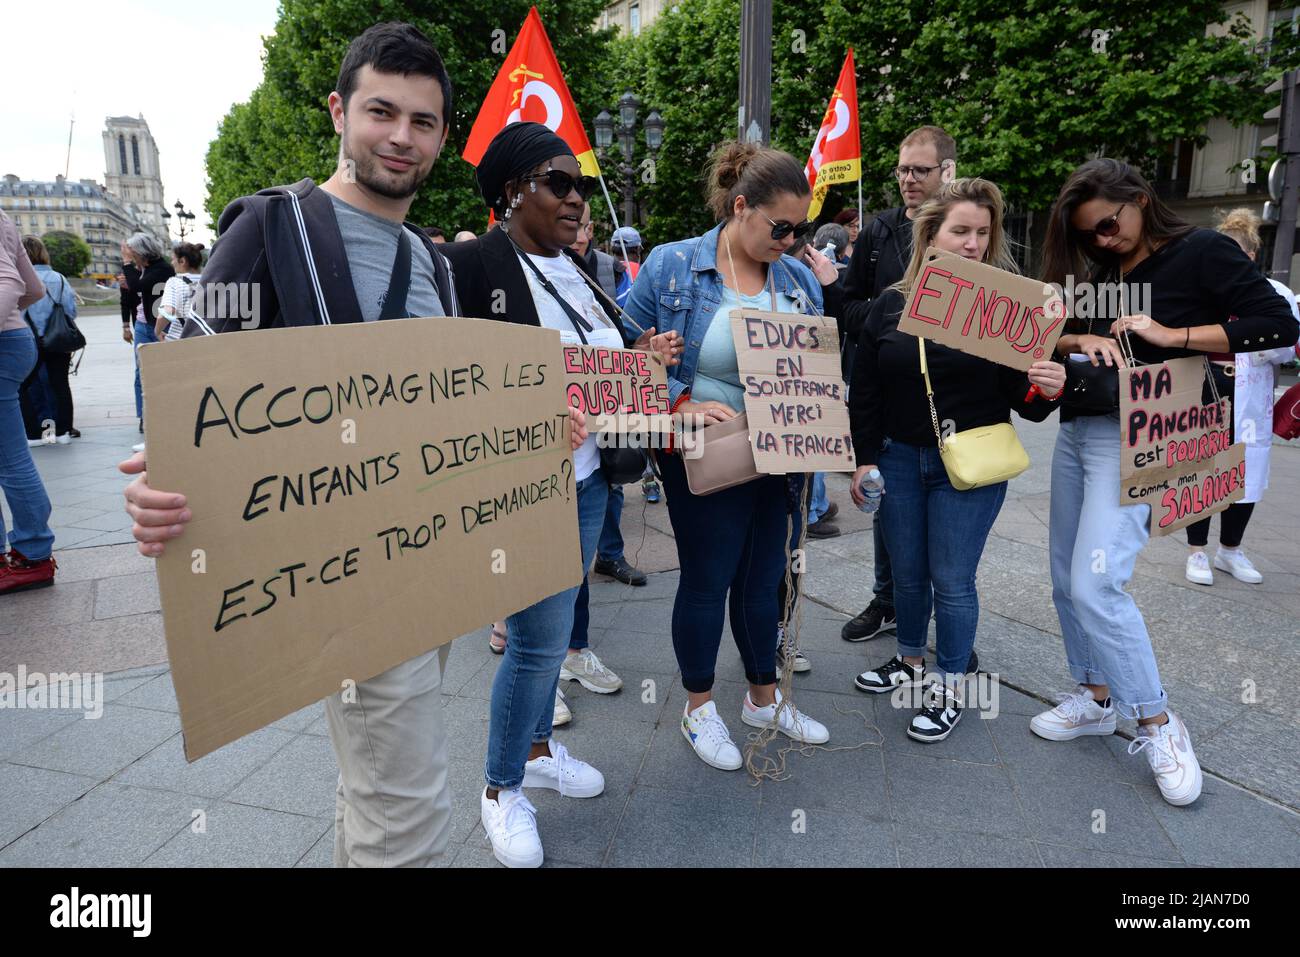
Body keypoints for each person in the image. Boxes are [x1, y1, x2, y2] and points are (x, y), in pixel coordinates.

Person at [124, 21, 488, 867]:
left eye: (424, 122)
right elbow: (194, 388)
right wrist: (158, 482)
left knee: (372, 786)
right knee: (412, 813)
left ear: (442, 137)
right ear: (338, 112)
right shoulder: (272, 227)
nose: (401, 137)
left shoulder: (433, 264)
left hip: (429, 556)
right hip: (342, 581)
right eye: (381, 112)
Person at [442, 121, 680, 864]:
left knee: (550, 637)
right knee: (537, 641)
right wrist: (521, 413)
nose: (579, 198)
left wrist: (641, 358)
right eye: (560, 183)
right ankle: (500, 789)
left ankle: (539, 750)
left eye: (581, 183)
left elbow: (595, 369)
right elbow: (444, 384)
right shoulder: (473, 265)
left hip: (582, 483)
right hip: (518, 489)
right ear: (513, 192)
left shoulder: (577, 270)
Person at [1034, 159, 1296, 806]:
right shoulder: (1103, 271)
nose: (1102, 237)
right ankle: (1095, 695)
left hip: (1145, 439)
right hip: (1079, 431)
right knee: (1067, 576)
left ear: (1140, 199)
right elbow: (1086, 341)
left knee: (1098, 582)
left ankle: (1157, 720)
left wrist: (1171, 333)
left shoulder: (1201, 250)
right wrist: (1073, 340)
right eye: (1088, 232)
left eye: (1108, 223)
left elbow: (1278, 325)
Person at [624, 141, 841, 770]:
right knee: (707, 576)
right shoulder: (670, 267)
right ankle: (698, 709)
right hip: (704, 456)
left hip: (779, 457)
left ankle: (762, 697)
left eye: (801, 230)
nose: (794, 240)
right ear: (740, 206)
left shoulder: (797, 279)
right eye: (782, 227)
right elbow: (620, 360)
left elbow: (814, 365)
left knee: (762, 578)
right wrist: (677, 398)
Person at [848, 178, 1065, 742]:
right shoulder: (891, 304)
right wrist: (863, 459)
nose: (972, 243)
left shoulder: (1006, 308)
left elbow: (1028, 403)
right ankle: (911, 662)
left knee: (952, 579)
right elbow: (866, 389)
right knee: (908, 577)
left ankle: (950, 685)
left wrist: (1047, 384)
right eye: (960, 230)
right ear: (931, 235)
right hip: (897, 460)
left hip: (968, 467)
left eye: (982, 233)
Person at [838, 125, 958, 646]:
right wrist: (895, 314)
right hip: (891, 402)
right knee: (890, 509)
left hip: (957, 415)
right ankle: (888, 602)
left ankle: (953, 626)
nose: (909, 179)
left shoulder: (967, 227)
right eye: (903, 169)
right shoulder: (878, 232)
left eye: (921, 170)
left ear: (947, 171)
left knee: (949, 534)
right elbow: (845, 309)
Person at [1183, 208, 1299, 585]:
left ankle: (1230, 550)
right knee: (1203, 464)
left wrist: (1259, 345)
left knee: (1245, 471)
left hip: (1250, 392)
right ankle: (1196, 551)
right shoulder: (1201, 289)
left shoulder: (1275, 292)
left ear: (1249, 256)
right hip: (1206, 386)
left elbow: (1288, 345)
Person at [568, 201, 649, 584]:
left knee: (613, 477)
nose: (581, 237)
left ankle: (610, 555)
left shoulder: (605, 267)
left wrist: (645, 350)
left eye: (586, 227)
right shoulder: (531, 269)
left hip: (607, 400)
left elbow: (621, 330)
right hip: (569, 415)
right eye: (574, 226)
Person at [0, 209, 56, 594]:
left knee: (11, 458)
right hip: (13, 338)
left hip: (4, 341)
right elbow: (33, 289)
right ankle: (31, 553)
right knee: (11, 455)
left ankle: (32, 554)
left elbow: (8, 284)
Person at [19, 235, 78, 446]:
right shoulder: (59, 278)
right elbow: (71, 310)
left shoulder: (19, 279)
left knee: (26, 387)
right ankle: (63, 432)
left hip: (28, 340)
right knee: (61, 385)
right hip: (57, 339)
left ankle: (35, 434)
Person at [122, 231, 174, 450]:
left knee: (163, 370)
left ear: (140, 251)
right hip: (142, 324)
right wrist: (126, 324)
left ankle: (164, 415)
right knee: (139, 372)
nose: (129, 255)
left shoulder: (162, 269)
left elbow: (137, 288)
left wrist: (126, 265)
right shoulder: (139, 270)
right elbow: (128, 295)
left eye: (131, 252)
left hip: (160, 325)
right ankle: (145, 416)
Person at [156, 242, 204, 341]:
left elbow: (168, 311)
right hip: (206, 339)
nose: (171, 263)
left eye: (173, 259)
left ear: (182, 261)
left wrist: (157, 331)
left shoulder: (175, 282)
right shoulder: (210, 281)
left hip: (180, 341)